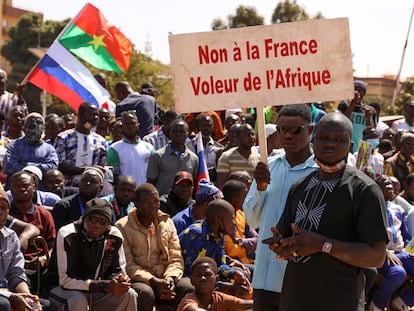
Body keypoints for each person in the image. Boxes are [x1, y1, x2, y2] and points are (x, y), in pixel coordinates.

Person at [268, 112, 388, 311]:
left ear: (350, 146)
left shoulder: (364, 190)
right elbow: (284, 234)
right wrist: (281, 245)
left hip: (338, 302)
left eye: (339, 139)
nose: (331, 144)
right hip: (294, 300)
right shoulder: (300, 186)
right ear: (313, 139)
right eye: (324, 138)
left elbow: (376, 256)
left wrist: (323, 245)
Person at [242, 103, 318, 310]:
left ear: (310, 130)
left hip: (300, 278)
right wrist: (260, 187)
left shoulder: (320, 173)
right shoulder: (268, 166)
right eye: (282, 129)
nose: (288, 136)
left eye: (295, 130)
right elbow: (252, 220)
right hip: (265, 275)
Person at [47, 198, 138, 311]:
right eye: (92, 219)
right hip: (62, 289)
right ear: (84, 218)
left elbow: (116, 269)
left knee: (129, 294)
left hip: (95, 290)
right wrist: (103, 286)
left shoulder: (114, 236)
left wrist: (118, 281)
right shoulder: (67, 234)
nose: (96, 225)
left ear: (108, 225)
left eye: (102, 222)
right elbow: (65, 280)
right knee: (78, 299)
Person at [115, 183, 193, 311]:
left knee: (188, 288)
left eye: (156, 201)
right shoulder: (122, 227)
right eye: (148, 202)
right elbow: (128, 265)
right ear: (136, 204)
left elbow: (176, 258)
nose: (154, 206)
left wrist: (170, 278)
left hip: (165, 276)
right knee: (145, 293)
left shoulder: (167, 222)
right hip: (140, 279)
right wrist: (152, 280)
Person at [179, 199, 251, 299]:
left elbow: (220, 265)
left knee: (241, 275)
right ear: (220, 220)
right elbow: (194, 274)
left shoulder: (219, 236)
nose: (235, 224)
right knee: (196, 288)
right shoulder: (196, 234)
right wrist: (223, 286)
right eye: (232, 219)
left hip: (207, 275)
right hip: (188, 276)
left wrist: (233, 274)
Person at [0, 189, 51, 311]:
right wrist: (11, 296)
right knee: (3, 305)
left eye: (4, 208)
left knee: (46, 306)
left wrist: (27, 297)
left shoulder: (10, 236)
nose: (0, 212)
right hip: (4, 296)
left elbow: (16, 273)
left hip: (6, 292)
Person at [369, 175, 414, 311]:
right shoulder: (370, 208)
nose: (391, 187)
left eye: (392, 185)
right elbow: (367, 234)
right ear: (376, 188)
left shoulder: (398, 209)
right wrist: (384, 250)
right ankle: (376, 305)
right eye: (386, 184)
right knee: (398, 273)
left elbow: (406, 235)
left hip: (401, 254)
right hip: (381, 254)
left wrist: (410, 251)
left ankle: (403, 301)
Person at [54, 102, 107, 187]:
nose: (96, 118)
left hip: (92, 190)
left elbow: (101, 168)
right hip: (68, 188)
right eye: (92, 115)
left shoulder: (101, 141)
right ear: (81, 116)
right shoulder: (64, 138)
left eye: (97, 115)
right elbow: (61, 165)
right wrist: (88, 169)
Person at [177, 256, 253, 311]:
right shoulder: (189, 299)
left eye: (207, 275)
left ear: (216, 279)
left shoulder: (219, 298)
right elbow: (191, 309)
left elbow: (243, 304)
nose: (202, 278)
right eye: (198, 275)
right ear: (192, 281)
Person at [3, 113, 59, 186]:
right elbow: (8, 166)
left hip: (40, 189)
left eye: (38, 123)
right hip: (15, 189)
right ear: (24, 127)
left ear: (43, 128)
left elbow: (52, 166)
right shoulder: (13, 145)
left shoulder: (49, 149)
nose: (34, 126)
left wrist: (27, 166)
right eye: (31, 124)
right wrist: (33, 169)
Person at [147, 119, 198, 195]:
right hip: (163, 204)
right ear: (169, 133)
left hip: (185, 204)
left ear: (187, 133)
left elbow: (194, 184)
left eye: (181, 131)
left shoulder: (193, 158)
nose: (178, 134)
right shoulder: (157, 156)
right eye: (175, 131)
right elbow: (151, 184)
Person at [107, 110, 154, 186]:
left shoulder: (149, 148)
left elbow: (154, 173)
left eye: (133, 123)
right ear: (122, 127)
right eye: (127, 124)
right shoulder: (114, 149)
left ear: (138, 125)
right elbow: (114, 176)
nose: (130, 126)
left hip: (144, 194)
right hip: (125, 194)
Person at [222, 179, 257, 266]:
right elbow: (230, 250)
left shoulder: (242, 215)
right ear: (235, 198)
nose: (247, 200)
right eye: (245, 197)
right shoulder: (220, 217)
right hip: (232, 264)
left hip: (248, 261)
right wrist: (246, 248)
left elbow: (257, 241)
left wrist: (241, 242)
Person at [216, 123, 260, 189]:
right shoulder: (226, 157)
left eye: (253, 134)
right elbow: (221, 186)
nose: (251, 137)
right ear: (238, 138)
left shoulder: (258, 157)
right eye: (247, 135)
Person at [337, 79, 376, 152]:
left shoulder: (370, 110)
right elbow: (341, 123)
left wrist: (368, 119)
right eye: (355, 89)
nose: (357, 92)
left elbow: (372, 133)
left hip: (363, 149)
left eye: (360, 90)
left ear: (364, 93)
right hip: (346, 147)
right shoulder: (344, 105)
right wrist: (353, 103)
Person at [187, 113, 224, 182]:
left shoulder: (219, 148)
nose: (206, 128)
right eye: (203, 126)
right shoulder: (188, 147)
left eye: (209, 125)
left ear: (213, 126)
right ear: (197, 127)